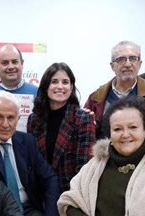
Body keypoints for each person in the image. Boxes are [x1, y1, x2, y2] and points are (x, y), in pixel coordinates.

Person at [27, 62, 96, 192]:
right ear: (46, 86)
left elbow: (84, 166)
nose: (60, 86)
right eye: (54, 82)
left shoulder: (83, 118)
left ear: (71, 88)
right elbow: (32, 162)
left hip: (70, 193)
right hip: (40, 194)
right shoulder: (34, 119)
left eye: (65, 82)